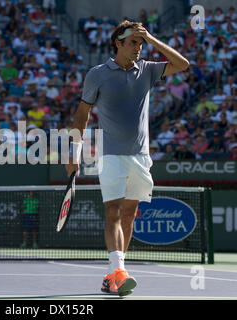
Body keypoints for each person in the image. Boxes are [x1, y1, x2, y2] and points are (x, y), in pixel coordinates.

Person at [65, 20, 189, 296]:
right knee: (113, 213)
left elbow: (183, 64)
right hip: (111, 157)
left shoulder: (147, 69)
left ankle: (115, 275)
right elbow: (82, 115)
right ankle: (119, 270)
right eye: (133, 42)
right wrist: (72, 152)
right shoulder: (97, 74)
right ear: (118, 43)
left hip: (141, 158)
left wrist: (152, 38)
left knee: (130, 215)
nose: (138, 47)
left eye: (140, 43)